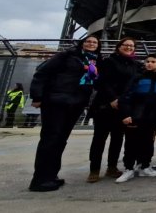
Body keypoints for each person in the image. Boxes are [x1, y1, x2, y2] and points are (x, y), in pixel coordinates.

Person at [28, 35, 101, 192]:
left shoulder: (93, 61)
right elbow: (42, 72)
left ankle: (51, 175)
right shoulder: (67, 56)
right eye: (88, 41)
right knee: (50, 139)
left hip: (76, 103)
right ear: (82, 43)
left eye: (95, 42)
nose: (91, 44)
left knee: (61, 140)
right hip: (57, 101)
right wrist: (37, 96)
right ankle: (39, 180)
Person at [88, 37, 140, 183]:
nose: (129, 48)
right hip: (105, 105)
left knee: (117, 138)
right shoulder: (108, 62)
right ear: (118, 46)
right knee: (99, 138)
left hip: (123, 107)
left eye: (131, 46)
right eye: (126, 45)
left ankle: (112, 167)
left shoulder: (135, 64)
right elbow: (102, 82)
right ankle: (94, 169)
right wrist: (112, 99)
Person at [115, 54, 156, 183]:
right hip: (136, 116)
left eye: (153, 61)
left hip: (153, 118)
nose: (149, 64)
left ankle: (145, 166)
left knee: (148, 142)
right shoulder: (137, 78)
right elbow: (126, 97)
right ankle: (129, 168)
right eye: (147, 61)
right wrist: (125, 114)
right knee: (131, 143)